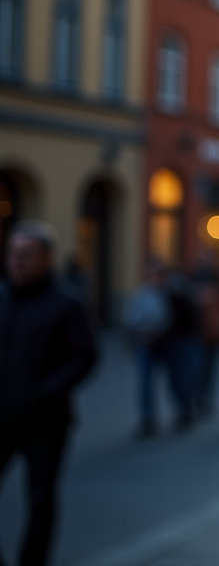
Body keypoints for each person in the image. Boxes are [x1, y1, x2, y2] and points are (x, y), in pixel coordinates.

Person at [0, 221, 97, 566]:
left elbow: (85, 356)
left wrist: (45, 392)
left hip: (45, 421)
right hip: (1, 416)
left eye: (26, 255)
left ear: (46, 258)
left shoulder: (67, 303)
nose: (17, 262)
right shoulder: (2, 296)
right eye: (12, 253)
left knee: (40, 499)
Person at [124, 259, 195, 436]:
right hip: (147, 344)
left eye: (155, 274)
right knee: (145, 382)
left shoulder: (175, 293)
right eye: (149, 275)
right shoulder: (142, 294)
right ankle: (148, 419)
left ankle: (185, 408)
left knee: (176, 380)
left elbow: (183, 318)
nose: (152, 278)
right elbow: (131, 318)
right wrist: (138, 335)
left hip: (170, 344)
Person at [191, 251, 219, 418]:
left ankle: (205, 397)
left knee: (210, 367)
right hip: (199, 331)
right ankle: (199, 396)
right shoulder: (195, 276)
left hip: (214, 331)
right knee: (200, 367)